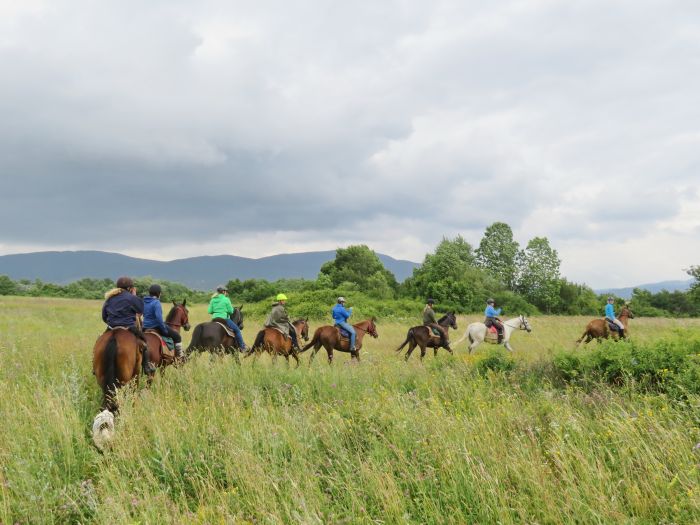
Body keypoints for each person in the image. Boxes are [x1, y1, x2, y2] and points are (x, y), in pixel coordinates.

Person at [102, 276, 155, 374]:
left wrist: (112, 323)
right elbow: (140, 310)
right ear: (130, 288)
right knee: (144, 342)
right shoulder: (131, 298)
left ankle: (95, 366)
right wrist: (134, 296)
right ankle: (146, 366)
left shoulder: (109, 298)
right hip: (129, 327)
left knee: (100, 340)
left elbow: (104, 316)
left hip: (112, 327)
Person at [143, 284, 183, 358]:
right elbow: (159, 319)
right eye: (160, 293)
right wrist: (164, 330)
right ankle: (179, 357)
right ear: (158, 293)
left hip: (145, 327)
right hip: (156, 326)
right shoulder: (156, 302)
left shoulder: (144, 301)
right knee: (177, 337)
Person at [208, 285, 247, 351]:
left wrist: (216, 312)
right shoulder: (226, 299)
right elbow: (231, 311)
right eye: (226, 291)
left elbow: (209, 311)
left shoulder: (213, 299)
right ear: (223, 292)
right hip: (224, 319)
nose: (226, 292)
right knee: (237, 330)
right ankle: (242, 347)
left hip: (214, 320)